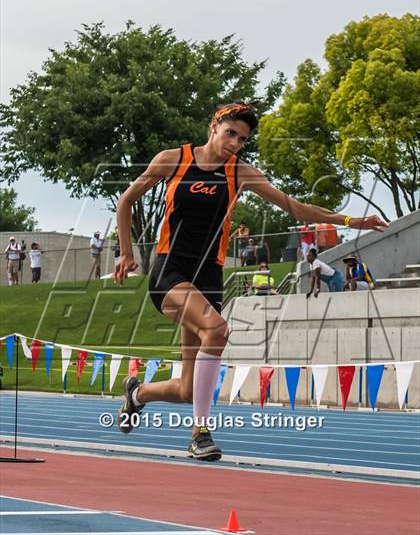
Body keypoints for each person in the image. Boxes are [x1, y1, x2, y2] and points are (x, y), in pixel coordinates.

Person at [114, 101, 387, 461]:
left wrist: (351, 221)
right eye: (230, 133)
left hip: (209, 275)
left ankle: (137, 394)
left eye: (242, 140)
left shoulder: (241, 173)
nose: (234, 143)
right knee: (218, 331)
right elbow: (126, 201)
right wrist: (126, 252)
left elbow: (297, 208)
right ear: (214, 126)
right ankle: (200, 434)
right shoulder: (173, 159)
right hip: (171, 271)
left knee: (185, 389)